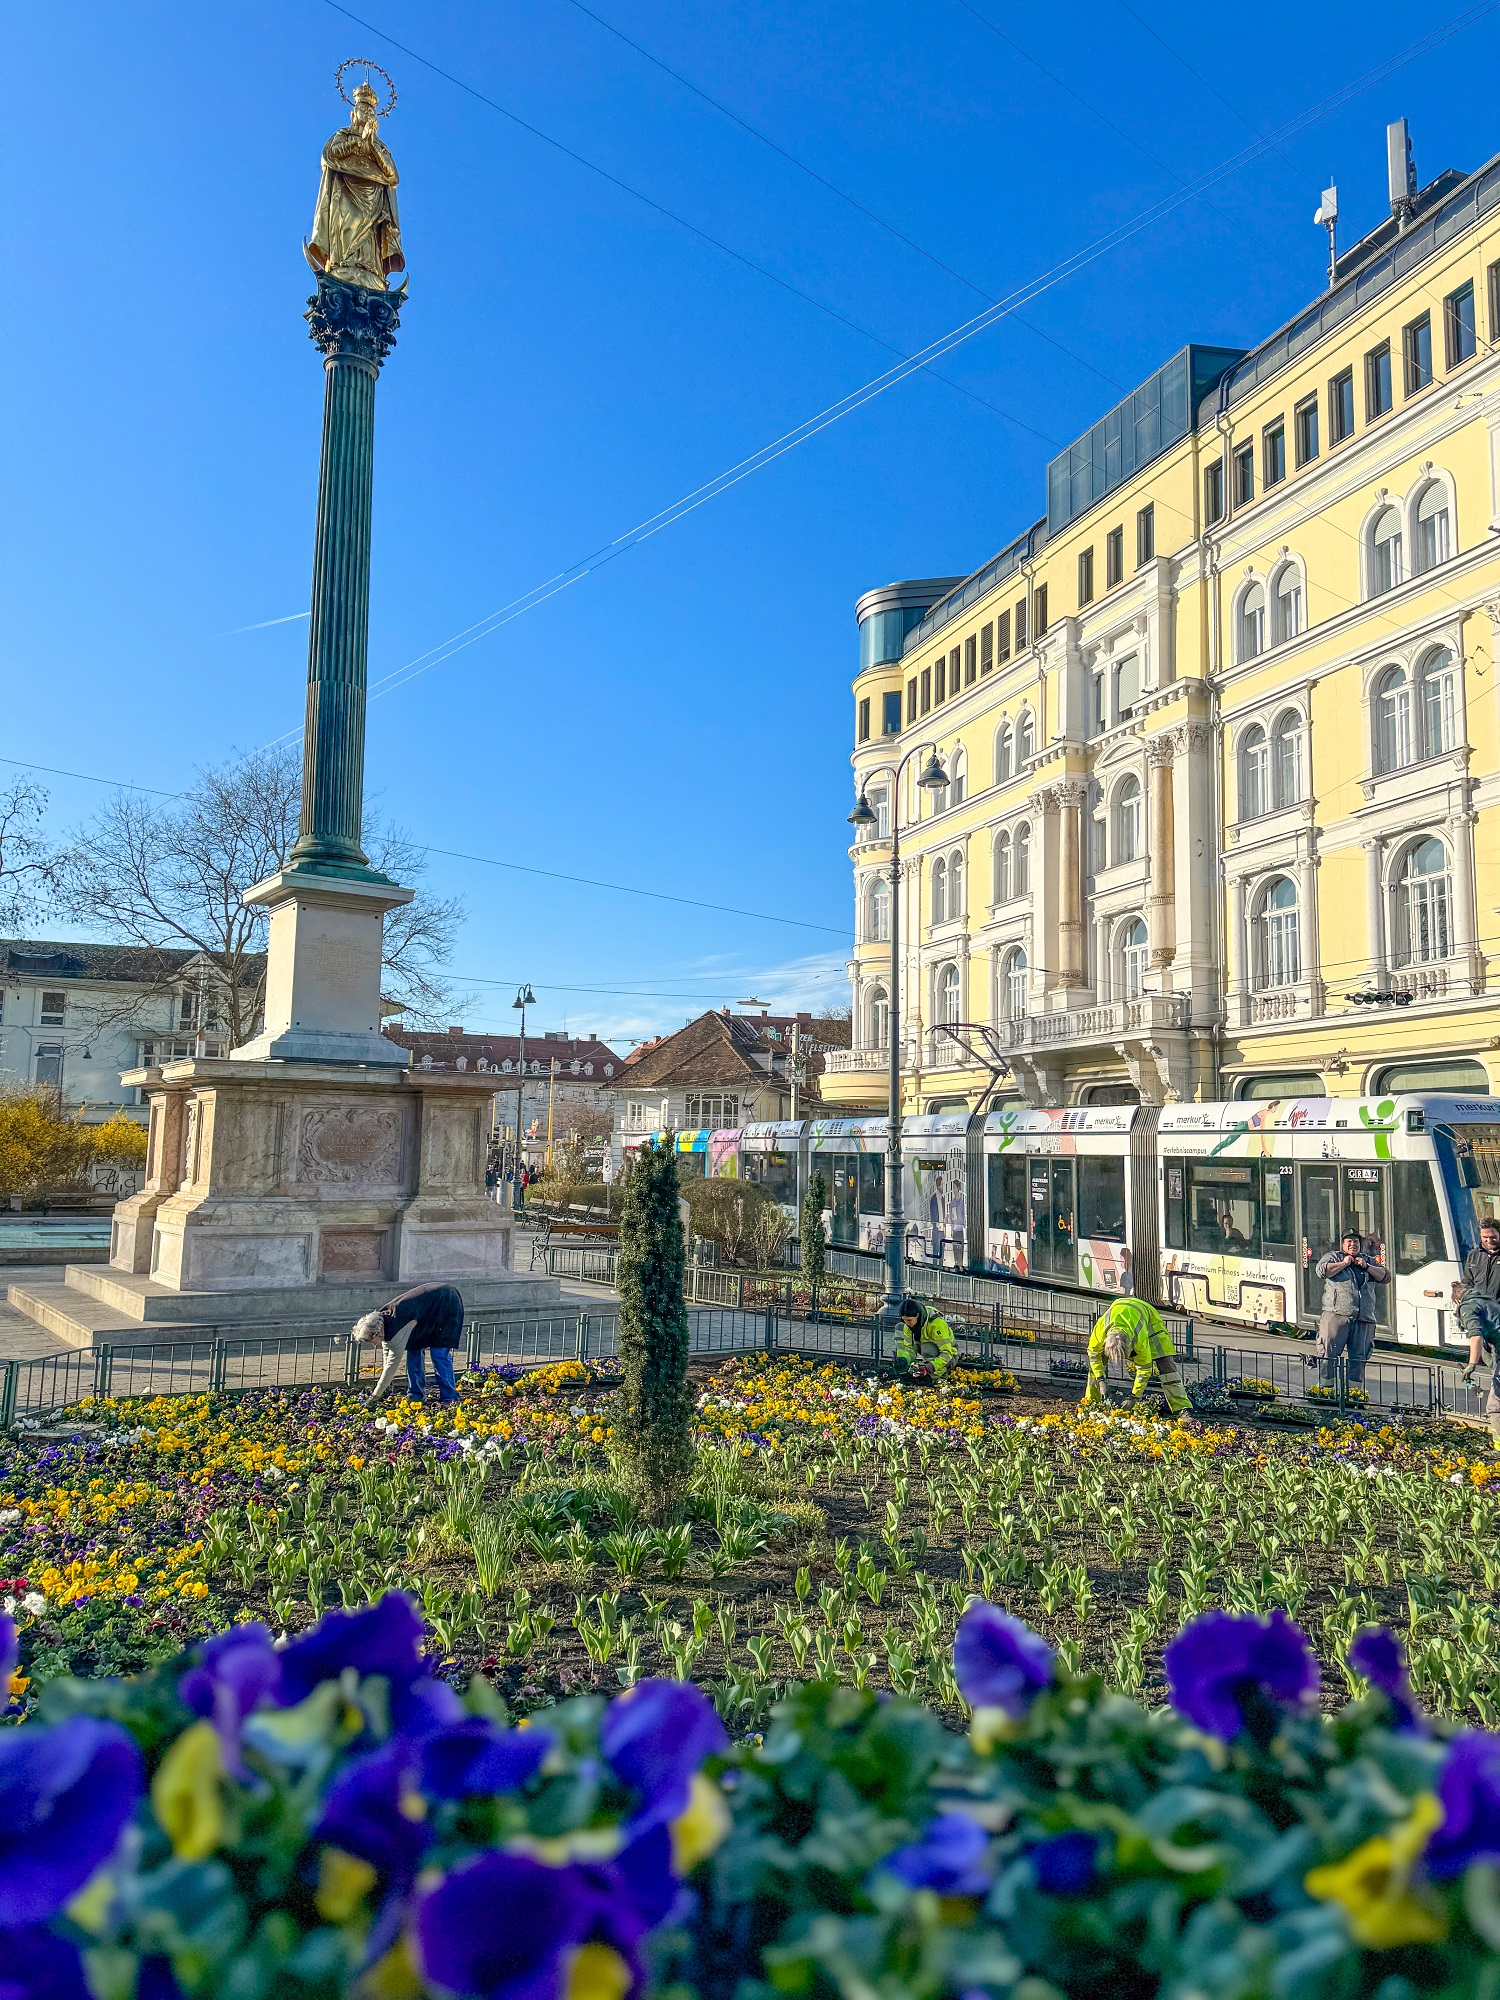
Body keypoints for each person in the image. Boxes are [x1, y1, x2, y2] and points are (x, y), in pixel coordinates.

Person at [353, 1282, 465, 1405]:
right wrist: (384, 1386)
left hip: (446, 1302)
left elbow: (392, 1364)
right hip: (424, 1313)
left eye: (371, 1341)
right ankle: (415, 1395)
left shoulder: (397, 1329)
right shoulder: (383, 1320)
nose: (373, 1345)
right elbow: (387, 1353)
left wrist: (375, 1396)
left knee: (439, 1354)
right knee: (413, 1350)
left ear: (376, 1333)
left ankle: (450, 1398)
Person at [1084, 1295, 1190, 1415]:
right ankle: (1092, 1404)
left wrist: (1134, 1398)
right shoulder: (1100, 1332)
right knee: (1096, 1364)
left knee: (1167, 1365)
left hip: (1150, 1319)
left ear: (1131, 1346)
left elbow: (1144, 1369)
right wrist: (1101, 1380)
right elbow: (1093, 1356)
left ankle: (1181, 1408)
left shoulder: (1140, 1338)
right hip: (1123, 1309)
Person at [1314, 1231, 1391, 1388]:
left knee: (1359, 1358)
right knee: (1328, 1354)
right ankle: (1325, 1390)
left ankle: (1353, 1395)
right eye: (1349, 1241)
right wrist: (1344, 1263)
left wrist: (1367, 1266)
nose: (1353, 1244)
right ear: (1343, 1244)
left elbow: (1386, 1277)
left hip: (1363, 1319)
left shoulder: (1367, 1260)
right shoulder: (1333, 1257)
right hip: (1336, 1316)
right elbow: (1321, 1271)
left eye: (1356, 1242)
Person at [1458, 1217, 1500, 1440]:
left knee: (1497, 1378)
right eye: (1485, 1237)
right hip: (1485, 1319)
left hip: (1495, 1317)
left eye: (1492, 1236)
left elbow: (1473, 1335)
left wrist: (1471, 1364)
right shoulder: (1474, 1256)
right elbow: (1467, 1281)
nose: (1489, 1240)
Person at [894, 1296, 956, 1381]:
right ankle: (906, 1370)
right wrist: (904, 1359)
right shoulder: (908, 1325)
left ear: (917, 1315)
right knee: (899, 1328)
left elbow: (947, 1353)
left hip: (949, 1357)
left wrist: (929, 1371)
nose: (906, 1323)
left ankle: (937, 1374)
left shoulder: (937, 1324)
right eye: (904, 1320)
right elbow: (910, 1349)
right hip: (927, 1350)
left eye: (909, 1320)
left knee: (927, 1348)